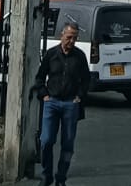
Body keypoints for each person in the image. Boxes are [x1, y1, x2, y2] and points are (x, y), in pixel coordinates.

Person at [33, 20, 90, 186]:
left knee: (68, 143)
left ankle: (61, 178)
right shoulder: (51, 55)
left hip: (70, 104)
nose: (71, 41)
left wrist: (79, 96)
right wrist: (44, 95)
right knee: (46, 140)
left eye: (75, 38)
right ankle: (46, 176)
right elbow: (39, 77)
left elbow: (86, 80)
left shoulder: (79, 56)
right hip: (52, 102)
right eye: (69, 37)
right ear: (62, 35)